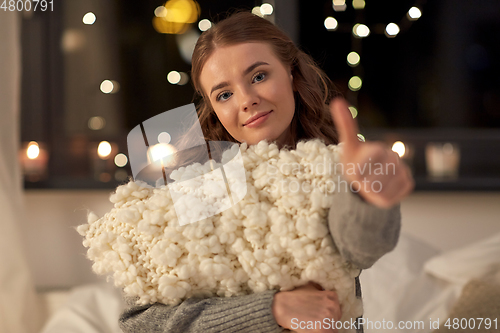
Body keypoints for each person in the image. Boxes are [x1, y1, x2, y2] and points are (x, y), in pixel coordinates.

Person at [119, 11, 414, 333]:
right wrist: (270, 310)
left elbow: (360, 247)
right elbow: (140, 323)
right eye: (225, 94)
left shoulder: (335, 168)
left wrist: (364, 195)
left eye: (259, 76)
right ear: (214, 108)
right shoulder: (197, 187)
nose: (247, 100)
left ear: (291, 72)